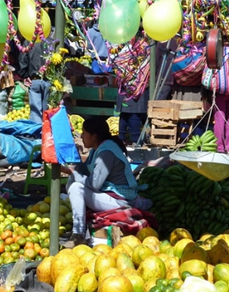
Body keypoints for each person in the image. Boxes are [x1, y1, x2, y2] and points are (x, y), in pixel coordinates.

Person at [60, 117, 142, 248]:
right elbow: (86, 170)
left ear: (94, 136)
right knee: (74, 181)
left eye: (84, 133)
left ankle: (78, 235)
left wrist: (70, 172)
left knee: (76, 188)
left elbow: (94, 184)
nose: (81, 136)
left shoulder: (106, 153)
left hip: (121, 200)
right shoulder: (97, 149)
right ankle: (77, 231)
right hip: (108, 195)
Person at [18, 39, 53, 125]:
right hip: (49, 80)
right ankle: (46, 133)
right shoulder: (51, 42)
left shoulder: (28, 42)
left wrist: (25, 75)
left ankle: (37, 134)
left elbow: (23, 60)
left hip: (34, 80)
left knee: (36, 113)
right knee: (47, 112)